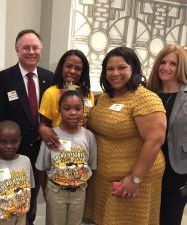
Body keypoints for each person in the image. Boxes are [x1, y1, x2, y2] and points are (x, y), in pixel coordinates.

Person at [84, 46, 167, 225]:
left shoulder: (145, 98)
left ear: (133, 69)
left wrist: (135, 178)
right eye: (110, 69)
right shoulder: (105, 97)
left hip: (132, 179)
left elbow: (154, 141)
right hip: (104, 180)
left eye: (122, 67)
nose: (115, 73)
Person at [0, 29, 54, 225]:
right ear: (17, 50)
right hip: (13, 153)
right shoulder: (1, 79)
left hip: (42, 150)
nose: (31, 51)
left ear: (41, 50)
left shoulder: (50, 79)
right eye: (26, 47)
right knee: (10, 202)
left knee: (31, 201)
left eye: (35, 47)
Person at [36, 90, 97, 225]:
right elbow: (41, 168)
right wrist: (46, 191)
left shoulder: (88, 137)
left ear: (83, 110)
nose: (73, 112)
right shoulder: (51, 136)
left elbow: (92, 166)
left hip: (79, 193)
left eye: (78, 108)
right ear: (59, 110)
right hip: (55, 192)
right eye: (67, 108)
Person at [147, 44, 187, 225]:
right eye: (162, 62)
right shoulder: (148, 93)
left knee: (169, 218)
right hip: (148, 164)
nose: (166, 67)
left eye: (173, 63)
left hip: (177, 168)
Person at [0, 120, 35, 225]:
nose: (9, 146)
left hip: (21, 218)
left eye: (14, 141)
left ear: (20, 140)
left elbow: (28, 190)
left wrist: (26, 217)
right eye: (3, 142)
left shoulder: (26, 161)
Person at [38, 49, 94, 149]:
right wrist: (42, 128)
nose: (72, 71)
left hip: (81, 144)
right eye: (68, 66)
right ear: (61, 67)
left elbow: (89, 123)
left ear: (83, 71)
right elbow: (44, 124)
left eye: (78, 68)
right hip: (58, 144)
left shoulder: (88, 94)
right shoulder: (50, 93)